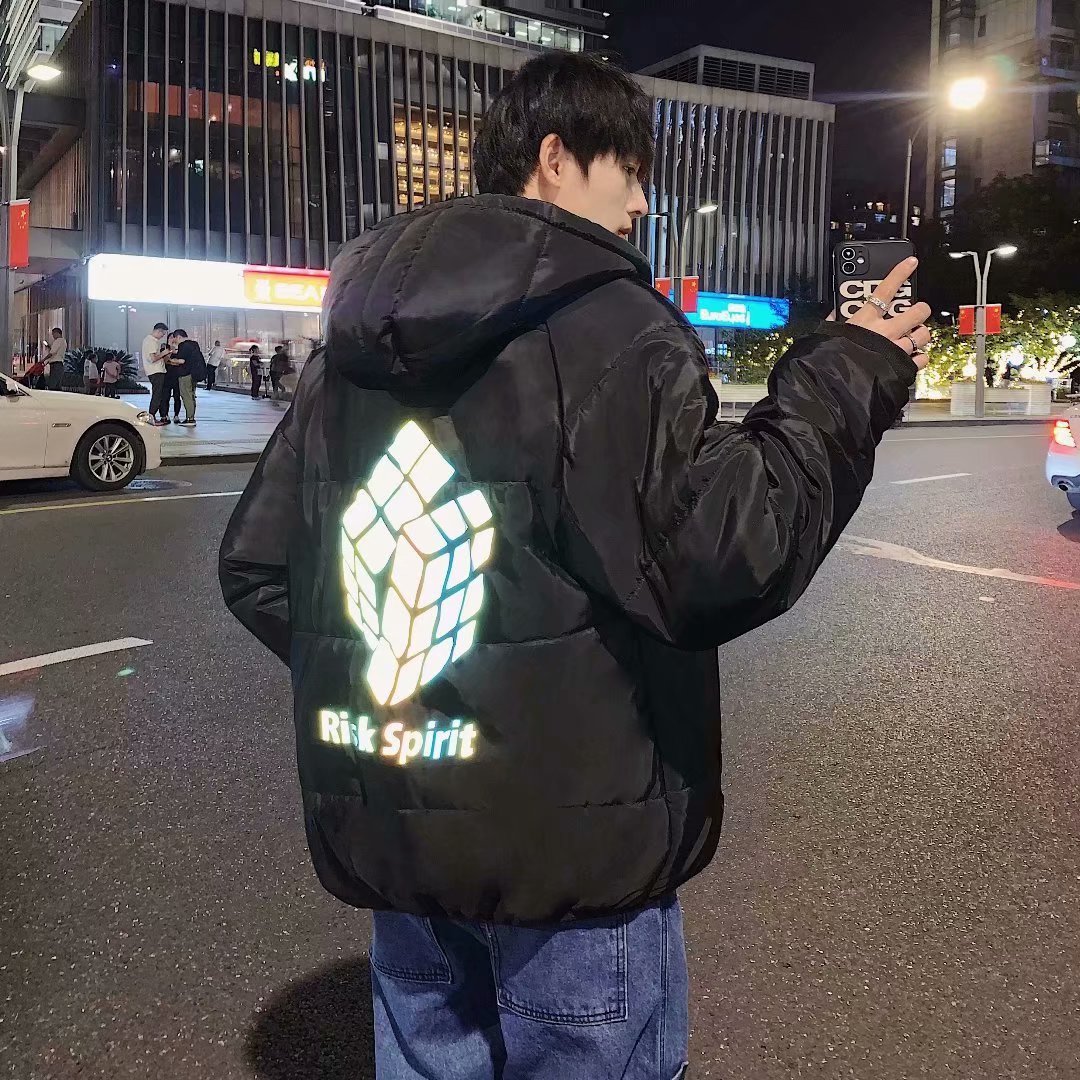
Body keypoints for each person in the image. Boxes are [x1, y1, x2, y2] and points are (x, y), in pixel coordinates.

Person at [220, 53, 930, 1080]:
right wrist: (848, 371)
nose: (642, 203)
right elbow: (725, 553)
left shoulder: (348, 349)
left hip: (398, 830)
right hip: (573, 847)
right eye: (630, 172)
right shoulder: (611, 326)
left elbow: (260, 566)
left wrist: (421, 690)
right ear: (556, 157)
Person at [168, 329, 206, 426]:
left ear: (179, 337)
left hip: (185, 375)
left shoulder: (183, 345)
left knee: (186, 396)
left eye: (175, 339)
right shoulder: (194, 345)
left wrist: (170, 360)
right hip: (194, 374)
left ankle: (190, 419)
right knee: (191, 396)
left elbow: (182, 361)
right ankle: (191, 417)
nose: (175, 341)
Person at [142, 321, 170, 423]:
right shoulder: (151, 341)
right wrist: (164, 353)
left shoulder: (148, 340)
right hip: (156, 371)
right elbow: (153, 358)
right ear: (159, 331)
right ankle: (151, 416)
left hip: (155, 371)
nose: (163, 336)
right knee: (157, 395)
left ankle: (152, 415)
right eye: (163, 334)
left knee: (158, 394)